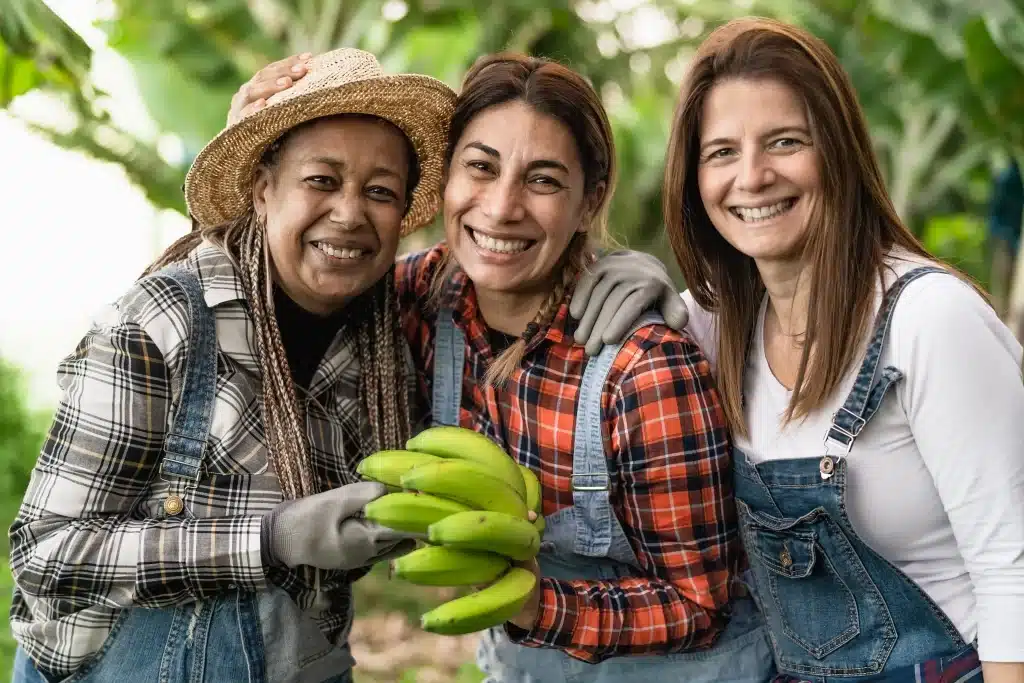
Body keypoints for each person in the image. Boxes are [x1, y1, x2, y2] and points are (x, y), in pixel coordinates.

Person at [580, 17, 1024, 683]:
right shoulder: (711, 325)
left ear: (838, 152)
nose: (752, 176)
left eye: (784, 142)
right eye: (722, 152)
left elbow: (1012, 568)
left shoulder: (929, 320)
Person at [8, 48, 456, 683]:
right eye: (322, 180)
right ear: (264, 191)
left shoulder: (387, 343)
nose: (351, 213)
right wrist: (272, 540)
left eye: (380, 192)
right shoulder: (164, 319)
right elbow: (46, 553)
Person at [394, 53, 773, 683]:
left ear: (588, 199)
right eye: (481, 168)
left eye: (542, 180)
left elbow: (699, 604)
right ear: (445, 176)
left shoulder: (643, 367)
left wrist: (534, 604)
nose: (501, 207)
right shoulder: (420, 300)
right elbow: (291, 274)